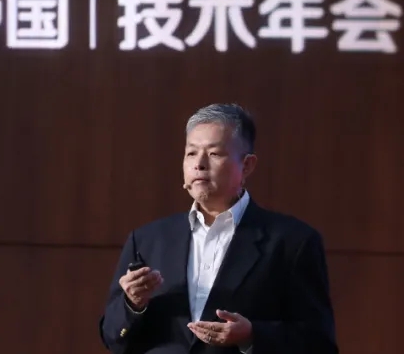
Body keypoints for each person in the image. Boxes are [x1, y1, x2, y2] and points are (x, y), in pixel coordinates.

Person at [98, 103, 338, 354]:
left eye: (214, 154)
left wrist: (251, 336)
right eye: (191, 153)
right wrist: (132, 305)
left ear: (247, 165)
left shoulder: (292, 242)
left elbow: (320, 343)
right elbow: (113, 338)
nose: (199, 164)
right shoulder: (147, 240)